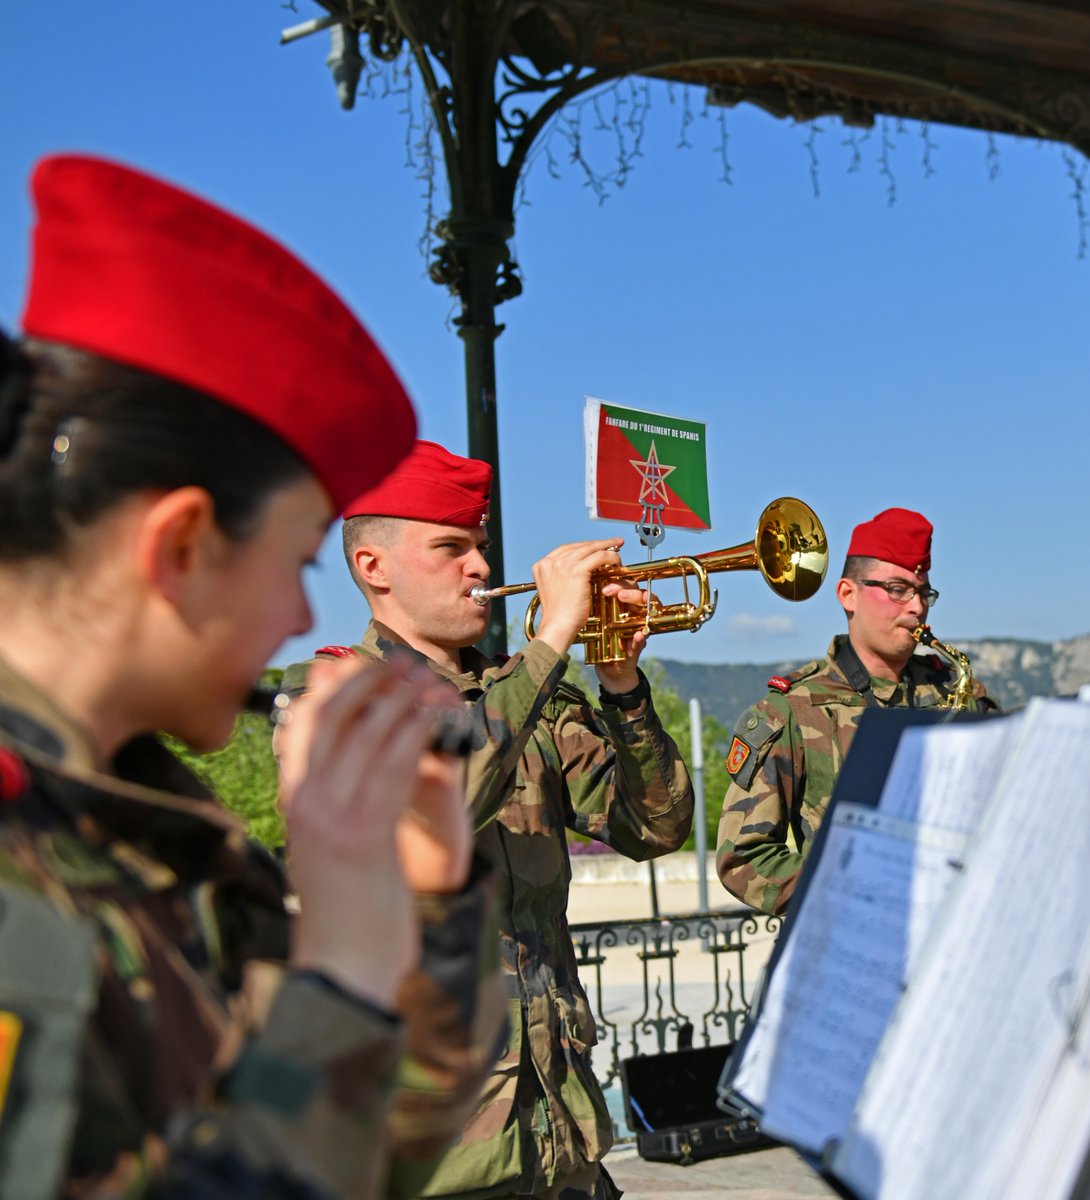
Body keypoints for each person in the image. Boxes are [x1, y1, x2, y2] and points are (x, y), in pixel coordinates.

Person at [0, 154, 505, 1199]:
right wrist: (342, 977)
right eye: (299, 560)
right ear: (181, 546)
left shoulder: (133, 819)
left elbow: (372, 1156)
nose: (299, 618)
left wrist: (422, 905)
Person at [281, 439, 695, 1200]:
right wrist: (550, 643)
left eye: (479, 546)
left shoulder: (528, 696)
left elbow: (655, 830)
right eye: (450, 548)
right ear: (374, 568)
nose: (479, 566)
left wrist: (622, 684)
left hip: (564, 1136)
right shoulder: (329, 700)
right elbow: (440, 808)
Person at [716, 506, 996, 916]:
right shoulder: (791, 710)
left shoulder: (961, 693)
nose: (916, 607)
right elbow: (742, 857)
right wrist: (856, 888)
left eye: (923, 592)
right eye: (898, 589)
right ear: (848, 594)